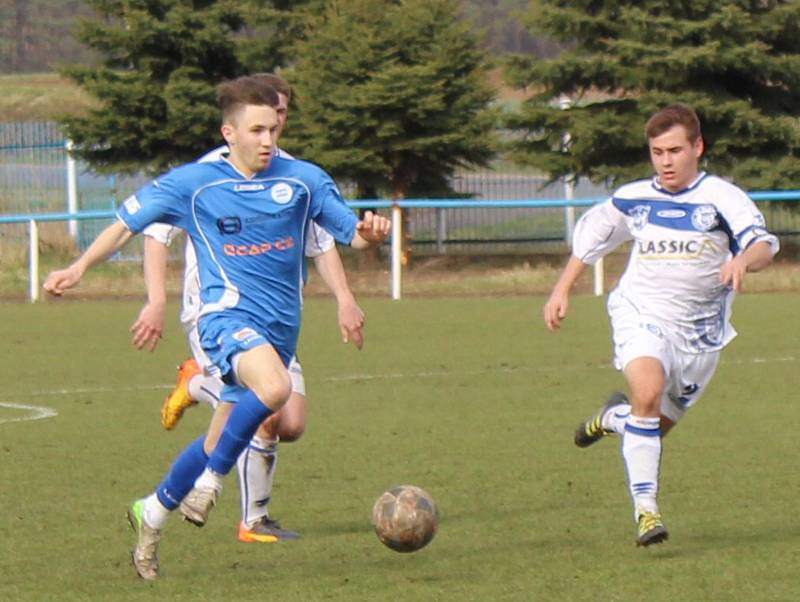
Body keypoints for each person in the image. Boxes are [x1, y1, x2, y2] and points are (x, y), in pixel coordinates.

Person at [43, 76, 391, 580]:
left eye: (273, 128)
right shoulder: (196, 182)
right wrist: (78, 268)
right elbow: (128, 222)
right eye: (256, 130)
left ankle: (152, 512)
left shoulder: (305, 180)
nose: (268, 140)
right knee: (274, 390)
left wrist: (371, 235)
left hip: (278, 330)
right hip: (223, 318)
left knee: (220, 436)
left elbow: (349, 235)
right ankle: (212, 483)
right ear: (230, 133)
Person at [130, 73, 364, 544]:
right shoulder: (210, 171)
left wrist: (345, 298)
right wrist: (156, 299)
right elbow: (156, 232)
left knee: (286, 422)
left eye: (280, 116)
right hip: (217, 312)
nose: (273, 126)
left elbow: (322, 243)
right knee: (266, 403)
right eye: (265, 116)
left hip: (278, 318)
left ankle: (162, 488)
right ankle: (251, 518)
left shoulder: (297, 176)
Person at [542, 103, 779, 547]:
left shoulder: (724, 199)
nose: (666, 161)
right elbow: (593, 238)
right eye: (657, 152)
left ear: (698, 147)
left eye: (674, 150)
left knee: (649, 423)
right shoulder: (635, 198)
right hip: (641, 313)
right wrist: (561, 289)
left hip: (701, 336)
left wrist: (743, 260)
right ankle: (647, 512)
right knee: (648, 392)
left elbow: (764, 245)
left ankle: (613, 418)